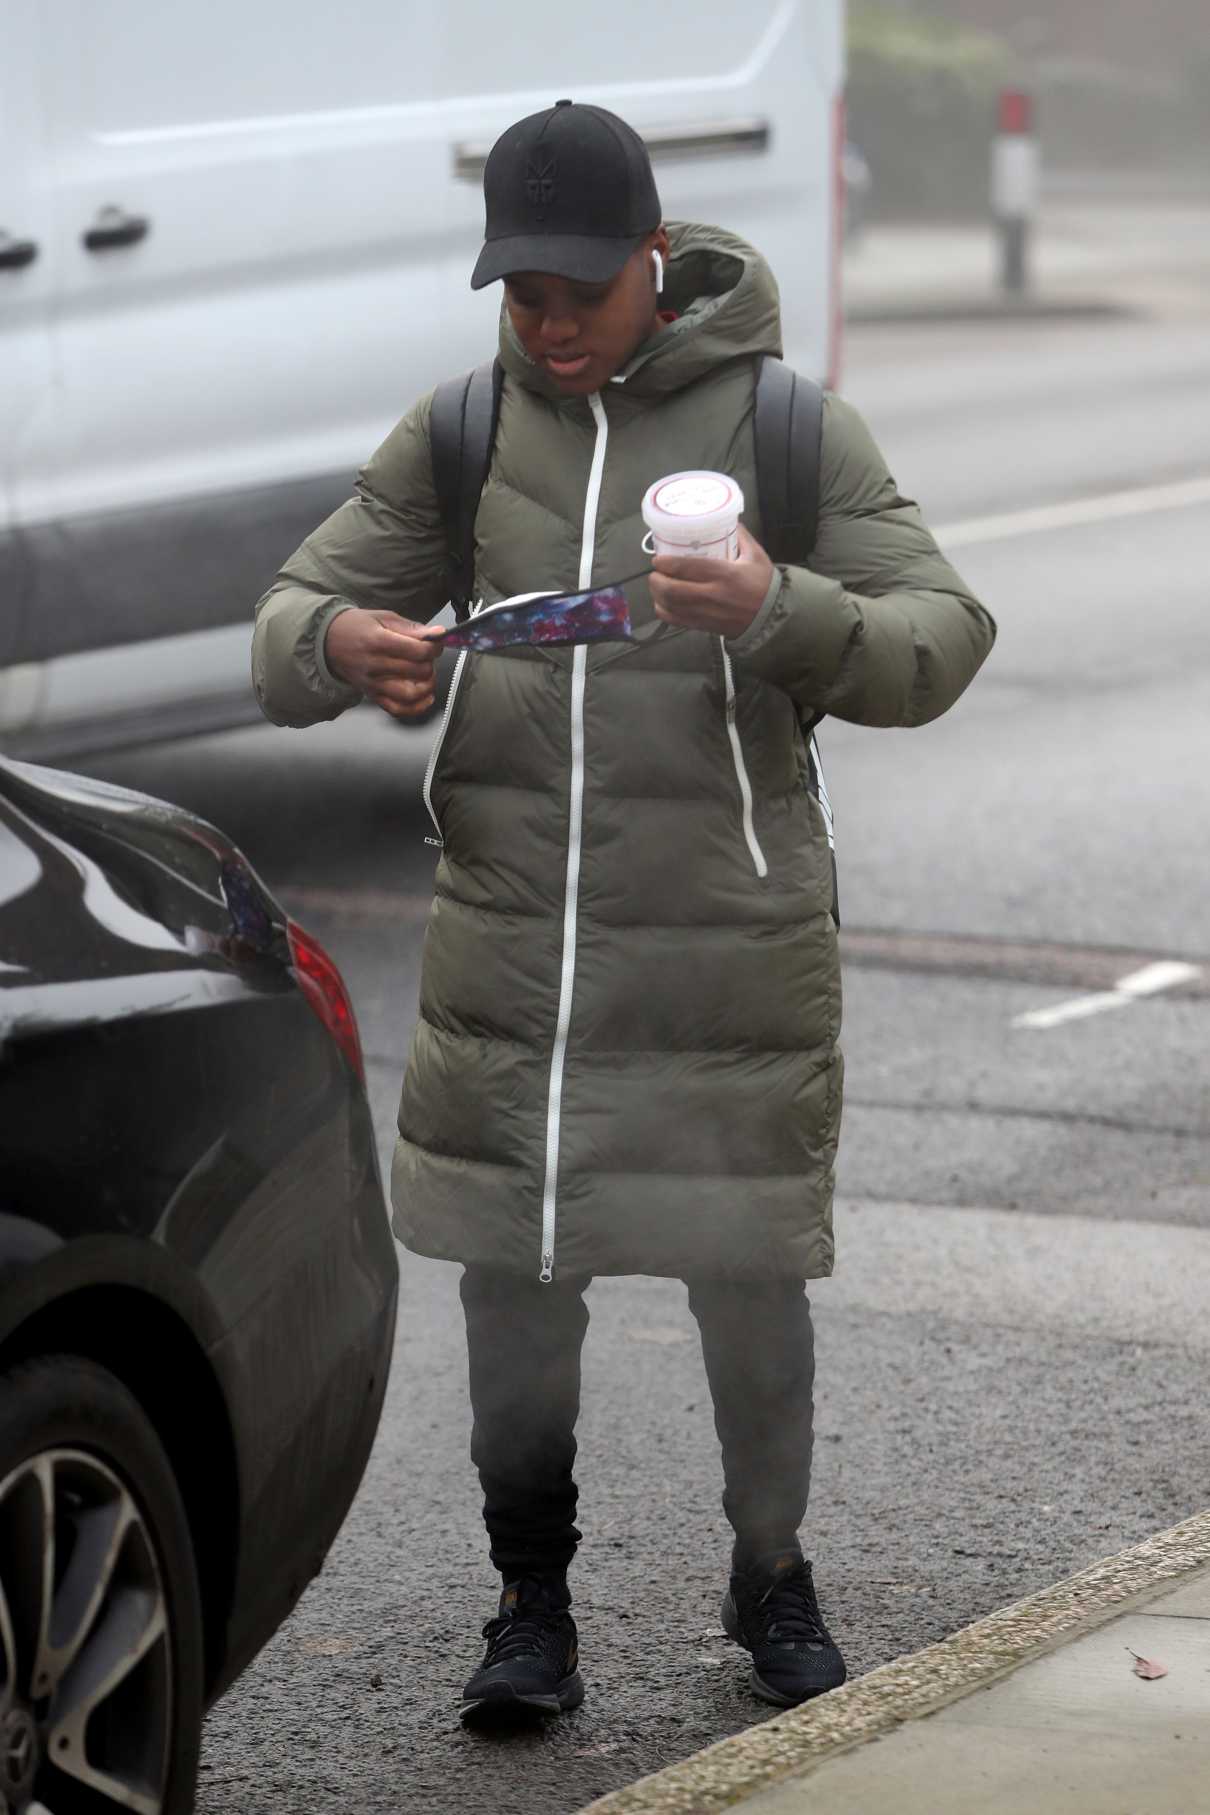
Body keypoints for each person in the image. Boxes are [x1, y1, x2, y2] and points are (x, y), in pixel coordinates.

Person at [252, 99, 995, 1722]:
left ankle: (772, 1579)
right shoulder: (460, 430)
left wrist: (776, 606)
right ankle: (529, 1611)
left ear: (655, 260)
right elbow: (294, 608)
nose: (551, 321)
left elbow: (939, 636)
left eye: (580, 287)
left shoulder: (790, 431)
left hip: (723, 951)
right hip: (515, 950)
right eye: (520, 293)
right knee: (514, 1291)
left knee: (746, 1277)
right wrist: (337, 651)